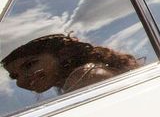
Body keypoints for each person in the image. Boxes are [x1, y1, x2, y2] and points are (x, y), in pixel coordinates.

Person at [2, 34, 141, 94]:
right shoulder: (77, 79)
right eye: (14, 76)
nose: (21, 80)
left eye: (29, 65)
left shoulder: (85, 77)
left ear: (61, 54)